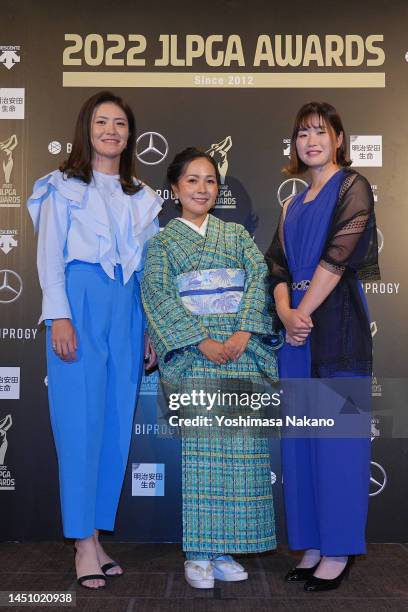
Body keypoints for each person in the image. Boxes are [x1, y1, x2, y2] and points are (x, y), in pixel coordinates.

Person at [27, 91, 162, 589]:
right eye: (102, 122)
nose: (112, 131)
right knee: (79, 424)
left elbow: (146, 270)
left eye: (121, 124)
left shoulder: (141, 196)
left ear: (130, 134)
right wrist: (59, 316)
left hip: (126, 310)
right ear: (87, 129)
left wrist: (148, 327)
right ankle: (81, 543)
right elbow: (50, 260)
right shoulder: (61, 187)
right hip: (78, 305)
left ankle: (97, 533)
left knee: (112, 427)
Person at [141, 147, 281, 589]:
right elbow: (158, 297)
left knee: (241, 456)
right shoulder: (163, 243)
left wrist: (242, 335)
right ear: (175, 189)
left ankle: (224, 550)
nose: (203, 189)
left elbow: (259, 278)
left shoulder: (237, 237)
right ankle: (198, 553)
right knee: (202, 456)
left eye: (210, 181)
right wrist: (201, 339)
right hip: (195, 352)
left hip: (239, 350)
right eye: (192, 180)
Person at [266, 101, 380, 592]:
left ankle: (337, 550)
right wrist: (287, 313)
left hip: (336, 331)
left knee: (339, 446)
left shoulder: (353, 186)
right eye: (302, 134)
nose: (310, 141)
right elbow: (276, 267)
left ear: (337, 138)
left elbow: (338, 257)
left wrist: (302, 312)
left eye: (320, 131)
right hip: (295, 335)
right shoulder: (291, 204)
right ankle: (311, 544)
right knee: (302, 448)